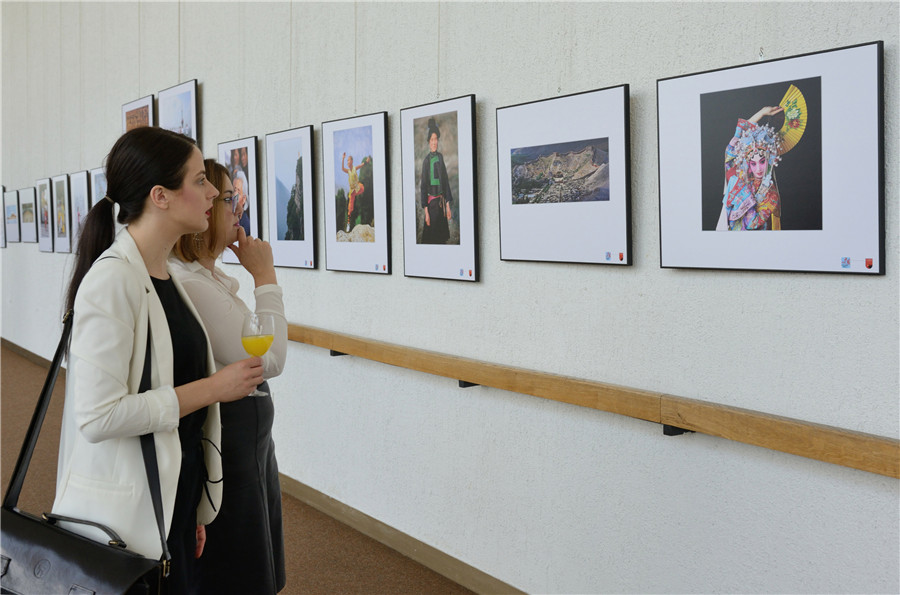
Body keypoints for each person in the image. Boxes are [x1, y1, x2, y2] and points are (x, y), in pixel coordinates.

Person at [52, 126, 265, 594]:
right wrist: (215, 388)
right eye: (198, 180)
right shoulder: (112, 281)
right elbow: (98, 415)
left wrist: (187, 506)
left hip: (171, 502)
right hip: (127, 520)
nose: (213, 191)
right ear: (160, 197)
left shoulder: (163, 275)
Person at [170, 160, 288, 594]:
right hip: (230, 448)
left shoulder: (208, 276)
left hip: (248, 446)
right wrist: (265, 276)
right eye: (226, 200)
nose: (236, 208)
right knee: (237, 569)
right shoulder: (192, 282)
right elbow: (269, 359)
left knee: (255, 558)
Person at [717, 105, 784, 231]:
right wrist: (762, 113)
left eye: (762, 161)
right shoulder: (741, 176)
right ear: (748, 164)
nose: (758, 168)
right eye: (753, 163)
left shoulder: (771, 194)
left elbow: (751, 224)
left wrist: (744, 194)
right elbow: (733, 144)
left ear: (769, 161)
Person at [419, 117, 453, 244]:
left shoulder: (440, 157)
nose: (434, 142)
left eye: (436, 139)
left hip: (441, 205)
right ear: (429, 142)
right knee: (432, 240)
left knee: (442, 240)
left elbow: (445, 182)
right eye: (432, 140)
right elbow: (423, 188)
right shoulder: (426, 161)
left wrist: (448, 206)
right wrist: (426, 212)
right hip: (432, 207)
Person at [341, 152, 369, 232]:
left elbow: (361, 165)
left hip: (358, 187)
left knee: (362, 187)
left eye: (348, 160)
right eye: (347, 161)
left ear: (352, 161)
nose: (347, 162)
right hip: (352, 191)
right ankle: (348, 224)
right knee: (350, 209)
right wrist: (343, 159)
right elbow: (342, 169)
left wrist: (366, 162)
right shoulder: (348, 171)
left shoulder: (354, 168)